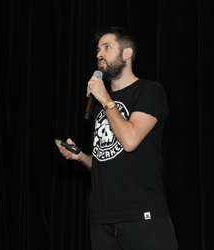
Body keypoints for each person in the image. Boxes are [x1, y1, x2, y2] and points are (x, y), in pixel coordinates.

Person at [56, 27, 178, 250]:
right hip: (101, 218)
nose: (99, 54)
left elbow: (129, 140)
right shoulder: (100, 107)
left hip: (141, 213)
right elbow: (106, 161)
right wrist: (81, 157)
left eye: (107, 47)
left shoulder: (149, 91)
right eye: (97, 50)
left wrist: (104, 99)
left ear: (127, 54)